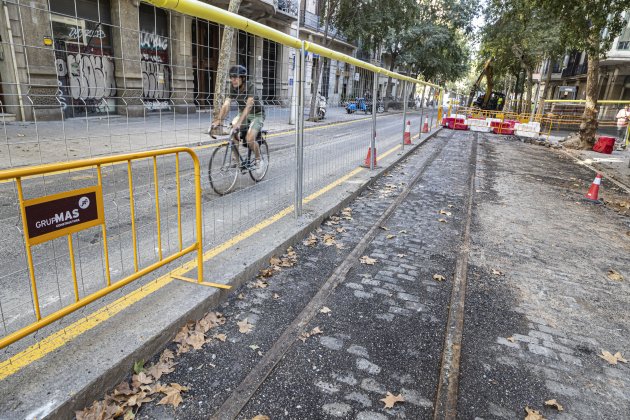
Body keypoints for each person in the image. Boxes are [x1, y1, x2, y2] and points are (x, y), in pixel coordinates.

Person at [210, 65, 266, 172]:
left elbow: (249, 106)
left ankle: (259, 160)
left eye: (236, 77)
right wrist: (218, 120)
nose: (233, 80)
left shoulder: (250, 86)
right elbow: (226, 104)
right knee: (233, 132)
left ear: (243, 78)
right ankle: (236, 160)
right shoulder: (232, 88)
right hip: (242, 113)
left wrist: (239, 123)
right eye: (231, 77)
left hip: (257, 114)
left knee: (250, 139)